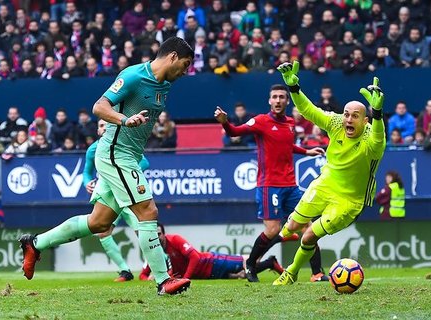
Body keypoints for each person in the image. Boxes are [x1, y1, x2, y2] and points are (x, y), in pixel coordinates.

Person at [18, 37, 194, 296]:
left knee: (99, 223)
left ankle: (35, 243)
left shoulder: (164, 85)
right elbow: (99, 107)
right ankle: (163, 280)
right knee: (147, 210)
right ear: (172, 57)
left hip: (129, 155)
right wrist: (125, 120)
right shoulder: (133, 75)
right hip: (115, 153)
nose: (186, 71)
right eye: (186, 64)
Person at [273, 61, 386, 285]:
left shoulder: (372, 139)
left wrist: (378, 113)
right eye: (346, 114)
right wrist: (293, 88)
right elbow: (309, 111)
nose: (348, 120)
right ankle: (283, 234)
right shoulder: (336, 123)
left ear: (365, 121)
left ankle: (291, 272)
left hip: (349, 200)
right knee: (291, 228)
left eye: (355, 116)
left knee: (309, 235)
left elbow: (378, 138)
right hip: (325, 183)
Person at [214, 84, 326, 283]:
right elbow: (234, 132)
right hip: (269, 186)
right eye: (274, 97)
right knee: (273, 229)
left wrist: (306, 151)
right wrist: (225, 122)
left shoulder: (291, 123)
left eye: (282, 97)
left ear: (287, 101)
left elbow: (286, 145)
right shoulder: (260, 121)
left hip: (290, 186)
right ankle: (251, 264)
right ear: (269, 100)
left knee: (308, 228)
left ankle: (317, 273)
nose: (278, 100)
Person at [83, 118, 150, 282]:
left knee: (143, 230)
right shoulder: (93, 150)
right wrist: (87, 183)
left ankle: (164, 268)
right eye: (100, 126)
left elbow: (145, 162)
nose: (104, 128)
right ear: (97, 131)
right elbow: (87, 172)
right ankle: (124, 271)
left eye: (107, 125)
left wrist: (122, 176)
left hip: (127, 193)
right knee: (103, 232)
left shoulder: (124, 145)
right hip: (110, 197)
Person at [139, 223, 286, 280]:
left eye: (158, 234)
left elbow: (195, 257)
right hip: (208, 275)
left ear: (164, 234)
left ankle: (277, 238)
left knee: (250, 261)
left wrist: (185, 278)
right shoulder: (154, 250)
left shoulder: (175, 239)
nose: (156, 237)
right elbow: (142, 275)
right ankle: (270, 263)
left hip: (213, 262)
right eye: (154, 235)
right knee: (243, 274)